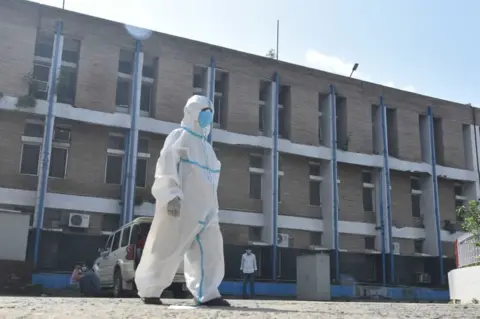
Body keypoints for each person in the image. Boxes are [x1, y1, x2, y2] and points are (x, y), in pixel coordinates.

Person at [135, 95, 230, 307]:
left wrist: (214, 208)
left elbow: (210, 183)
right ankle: (150, 289)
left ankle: (208, 293)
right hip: (182, 206)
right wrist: (171, 196)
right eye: (204, 111)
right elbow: (166, 166)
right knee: (168, 247)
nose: (208, 116)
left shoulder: (208, 149)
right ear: (192, 112)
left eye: (210, 112)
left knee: (211, 250)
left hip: (208, 210)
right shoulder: (180, 136)